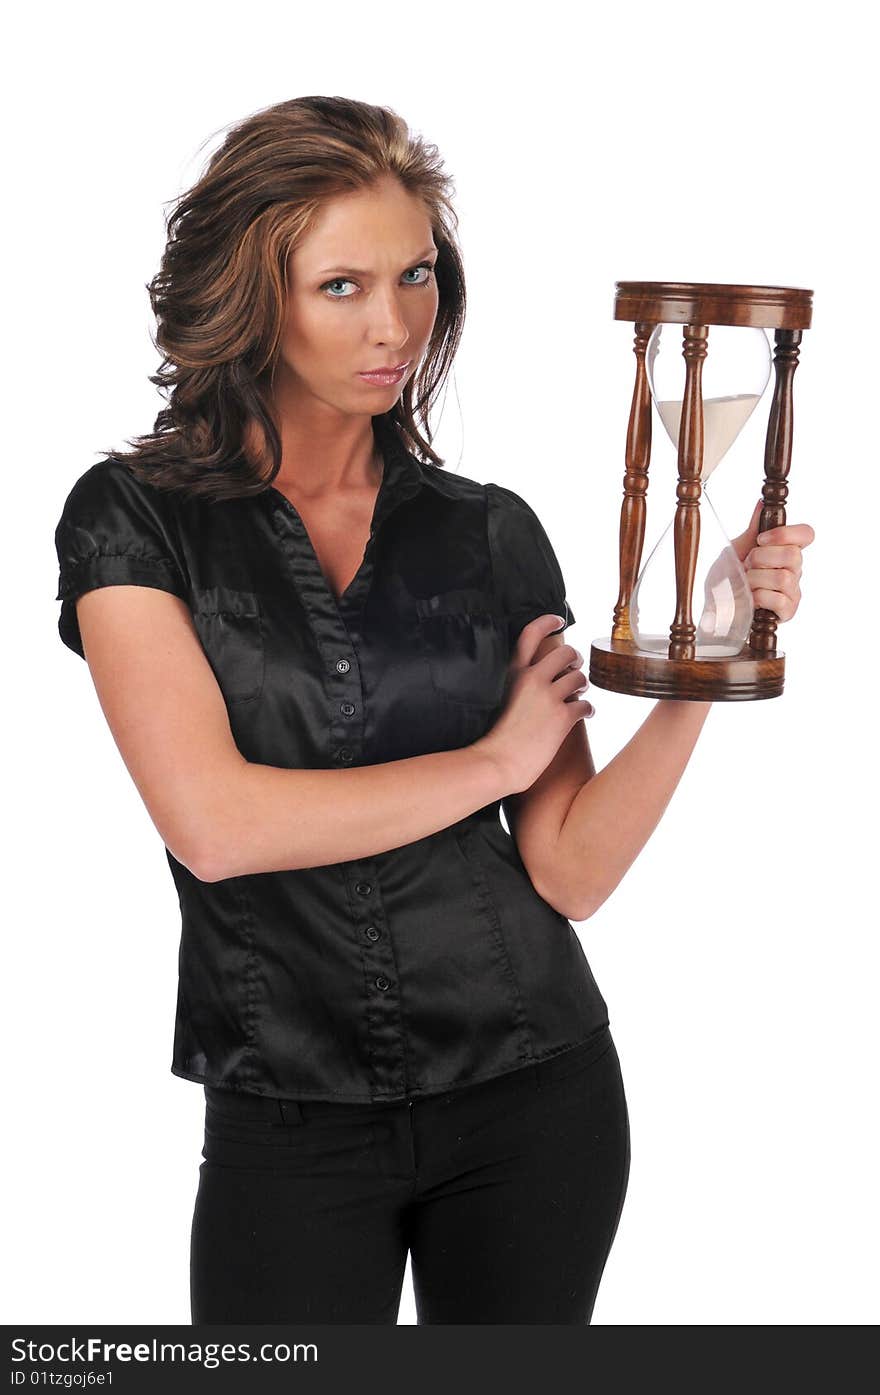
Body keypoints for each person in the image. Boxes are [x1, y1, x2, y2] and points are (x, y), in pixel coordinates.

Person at [53, 95, 815, 1325]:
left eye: (414, 275)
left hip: (538, 1096)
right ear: (253, 296)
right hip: (287, 1116)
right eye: (341, 286)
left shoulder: (488, 531)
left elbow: (568, 871)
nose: (396, 323)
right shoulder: (133, 521)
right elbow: (214, 824)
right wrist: (492, 759)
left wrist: (702, 656)